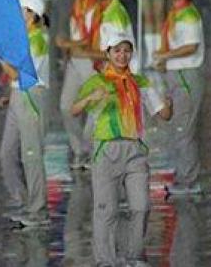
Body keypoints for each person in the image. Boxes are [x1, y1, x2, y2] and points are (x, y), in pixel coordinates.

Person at [70, 32, 172, 267]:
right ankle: (105, 260)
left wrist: (169, 105)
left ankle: (134, 257)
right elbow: (74, 110)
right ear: (107, 53)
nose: (122, 55)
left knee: (142, 206)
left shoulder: (141, 82)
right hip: (106, 151)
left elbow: (164, 115)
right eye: (116, 50)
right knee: (106, 210)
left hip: (136, 151)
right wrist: (90, 99)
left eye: (126, 50)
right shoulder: (97, 82)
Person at [152, 0, 205, 195]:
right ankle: (184, 175)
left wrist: (165, 56)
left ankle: (189, 181)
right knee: (177, 127)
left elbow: (191, 46)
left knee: (183, 128)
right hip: (176, 74)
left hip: (186, 74)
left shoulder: (188, 15)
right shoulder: (175, 13)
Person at [0, 0, 50, 229]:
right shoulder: (23, 37)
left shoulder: (37, 40)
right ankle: (24, 200)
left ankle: (38, 212)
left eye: (23, 10)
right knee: (7, 153)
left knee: (31, 156)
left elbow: (19, 74)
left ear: (33, 15)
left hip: (31, 98)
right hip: (18, 96)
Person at [55, 0, 97, 171]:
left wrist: (68, 44)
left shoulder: (97, 6)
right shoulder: (76, 3)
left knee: (93, 107)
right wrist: (67, 48)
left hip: (91, 61)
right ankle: (79, 149)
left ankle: (88, 151)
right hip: (74, 61)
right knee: (66, 106)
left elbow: (94, 37)